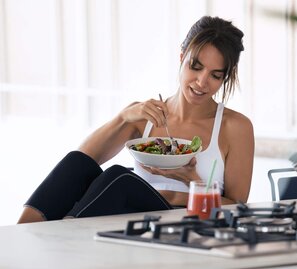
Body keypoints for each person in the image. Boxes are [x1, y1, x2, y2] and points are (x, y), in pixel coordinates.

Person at [18, 16, 254, 224]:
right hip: (131, 216)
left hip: (187, 218)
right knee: (76, 163)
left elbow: (237, 205)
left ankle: (64, 234)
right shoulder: (145, 115)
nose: (202, 82)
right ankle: (22, 234)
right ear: (182, 58)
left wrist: (192, 180)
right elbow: (79, 165)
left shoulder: (235, 127)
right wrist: (123, 117)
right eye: (196, 67)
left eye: (215, 75)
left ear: (226, 77)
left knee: (119, 178)